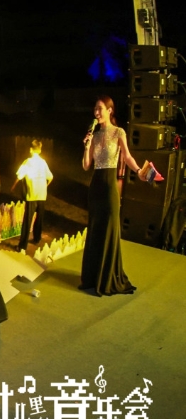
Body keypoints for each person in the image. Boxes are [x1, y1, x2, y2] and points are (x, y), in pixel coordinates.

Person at [81, 96, 140, 296]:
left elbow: (127, 156)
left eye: (100, 109)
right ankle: (92, 277)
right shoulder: (95, 135)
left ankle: (108, 277)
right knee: (95, 230)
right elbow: (86, 165)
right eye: (95, 109)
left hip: (109, 187)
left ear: (109, 110)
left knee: (110, 229)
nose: (96, 113)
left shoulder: (118, 132)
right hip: (96, 187)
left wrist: (139, 171)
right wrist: (87, 145)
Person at [16, 140, 53, 252]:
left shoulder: (27, 162)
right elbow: (50, 177)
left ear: (30, 149)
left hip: (31, 194)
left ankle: (22, 245)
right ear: (40, 150)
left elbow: (19, 175)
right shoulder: (43, 162)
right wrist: (45, 185)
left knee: (28, 219)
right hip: (42, 193)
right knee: (39, 217)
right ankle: (37, 238)